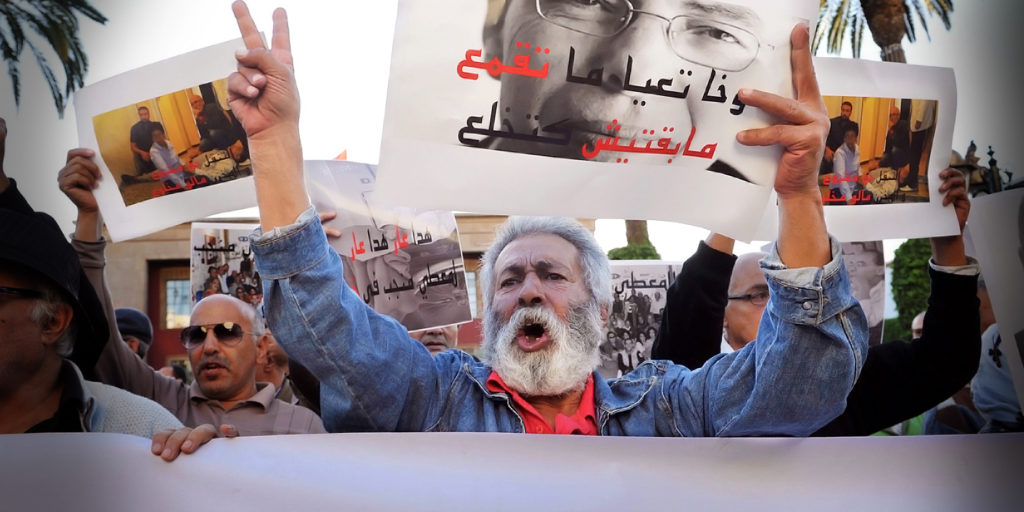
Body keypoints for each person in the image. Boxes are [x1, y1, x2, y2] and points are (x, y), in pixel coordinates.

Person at [227, 2, 864, 436]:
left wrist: (800, 198)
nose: (529, 288)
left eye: (552, 275)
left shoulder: (668, 408)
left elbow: (804, 382)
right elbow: (328, 326)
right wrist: (275, 143)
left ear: (603, 310)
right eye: (509, 280)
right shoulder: (435, 399)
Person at [651, 168, 982, 436]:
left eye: (787, 291)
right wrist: (740, 205)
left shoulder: (843, 384)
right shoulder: (693, 392)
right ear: (721, 315)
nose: (780, 304)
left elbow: (947, 360)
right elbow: (686, 324)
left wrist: (948, 240)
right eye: (759, 294)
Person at [57, 149, 326, 436]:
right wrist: (89, 216)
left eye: (226, 331)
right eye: (195, 335)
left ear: (260, 348)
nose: (209, 346)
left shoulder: (303, 425)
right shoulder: (159, 401)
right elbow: (101, 338)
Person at [481, 0, 797, 184]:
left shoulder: (766, 210)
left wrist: (801, 203)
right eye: (588, 1)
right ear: (494, 36)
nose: (635, 74)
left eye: (716, 32)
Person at [843, 241, 885, 346]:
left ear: (879, 270)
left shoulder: (884, 291)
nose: (853, 269)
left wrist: (864, 289)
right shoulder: (852, 287)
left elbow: (869, 323)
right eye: (853, 264)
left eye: (860, 264)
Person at [906, 99, 936, 192]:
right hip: (919, 124)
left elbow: (924, 101)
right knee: (914, 155)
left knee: (914, 155)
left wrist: (919, 119)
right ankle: (912, 181)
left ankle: (912, 184)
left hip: (920, 124)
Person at [127, 106, 163, 179]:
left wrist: (154, 152)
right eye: (141, 115)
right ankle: (142, 176)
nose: (144, 117)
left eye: (145, 114)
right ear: (139, 116)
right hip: (144, 156)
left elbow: (163, 141)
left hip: (156, 153)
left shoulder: (156, 125)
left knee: (163, 170)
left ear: (149, 114)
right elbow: (132, 147)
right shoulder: (134, 128)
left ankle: (139, 178)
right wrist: (142, 152)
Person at [822, 101, 858, 173]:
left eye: (847, 111)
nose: (844, 113)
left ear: (850, 112)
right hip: (831, 153)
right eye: (843, 110)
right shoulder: (832, 122)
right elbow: (825, 137)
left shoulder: (854, 126)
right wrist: (827, 149)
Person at [830, 125, 862, 204]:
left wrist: (860, 176)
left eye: (852, 136)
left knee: (869, 196)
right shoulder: (840, 153)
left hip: (853, 187)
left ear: (856, 138)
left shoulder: (857, 149)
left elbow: (858, 166)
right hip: (839, 190)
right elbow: (841, 177)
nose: (850, 139)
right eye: (847, 136)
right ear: (844, 138)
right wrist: (848, 198)